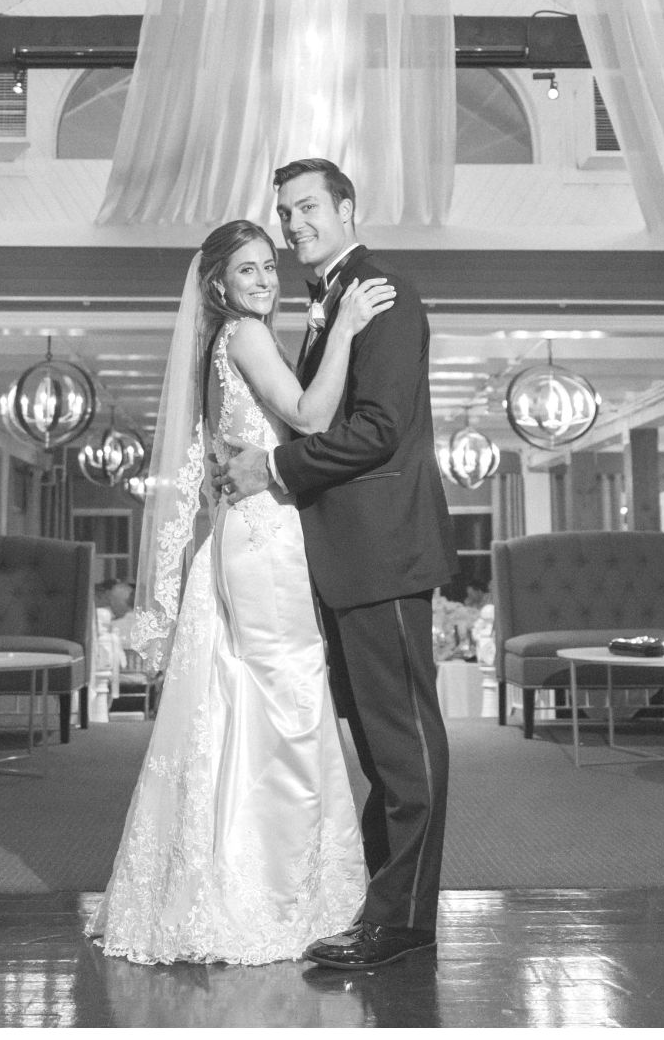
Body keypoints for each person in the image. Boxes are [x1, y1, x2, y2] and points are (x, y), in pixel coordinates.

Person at [87, 218, 397, 965]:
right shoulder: (248, 336)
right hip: (265, 542)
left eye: (268, 266)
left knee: (247, 704)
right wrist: (347, 327)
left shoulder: (222, 343)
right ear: (219, 285)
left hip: (245, 534)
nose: (264, 279)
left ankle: (239, 878)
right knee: (289, 698)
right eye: (247, 269)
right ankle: (282, 897)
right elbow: (310, 417)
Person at [219, 158, 459, 971]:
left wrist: (273, 468)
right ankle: (382, 905)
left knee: (405, 744)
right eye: (285, 213)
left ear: (348, 207)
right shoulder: (331, 302)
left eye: (309, 206)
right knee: (381, 748)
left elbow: (380, 428)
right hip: (347, 558)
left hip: (384, 551)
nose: (294, 224)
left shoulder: (382, 293)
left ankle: (404, 921)